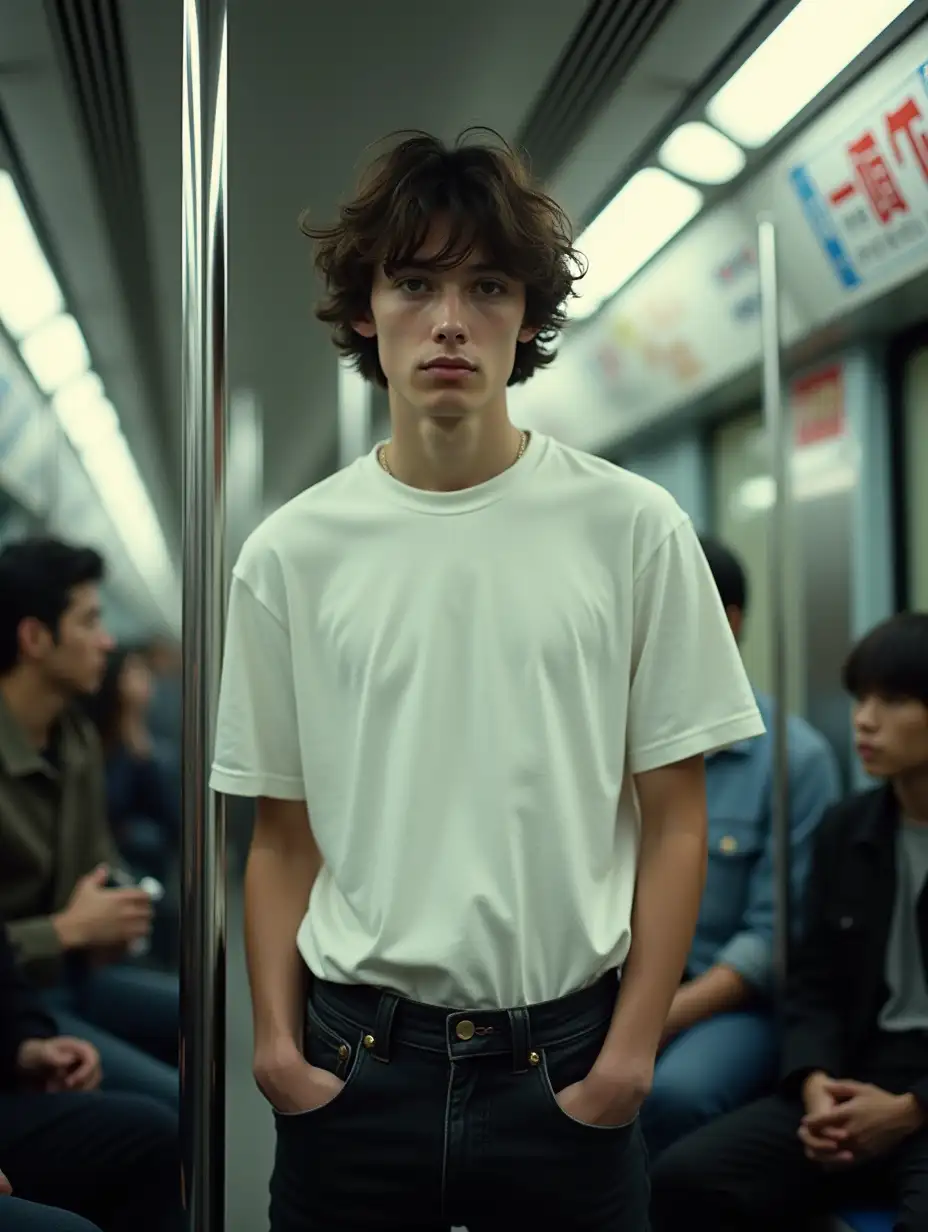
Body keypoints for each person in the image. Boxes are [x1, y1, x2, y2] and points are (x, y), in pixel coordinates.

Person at [211, 129, 765, 1231]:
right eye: (414, 283)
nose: (451, 319)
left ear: (528, 314)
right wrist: (273, 1044)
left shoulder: (634, 529)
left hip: (562, 1063)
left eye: (487, 285)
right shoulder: (290, 552)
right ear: (366, 310)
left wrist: (628, 1058)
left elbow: (673, 818)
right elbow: (280, 835)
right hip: (354, 1059)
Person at [650, 612, 928, 1232]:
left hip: (918, 1093)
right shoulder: (849, 829)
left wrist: (912, 1108)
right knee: (687, 1181)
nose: (865, 718)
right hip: (854, 1078)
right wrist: (814, 1083)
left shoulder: (792, 759)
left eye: (895, 700)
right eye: (861, 699)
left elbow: (771, 944)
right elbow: (813, 983)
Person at [639, 537, 841, 1158]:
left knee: (672, 1093)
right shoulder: (613, 747)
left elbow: (772, 938)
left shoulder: (791, 758)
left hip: (725, 1002)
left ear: (728, 622)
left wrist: (654, 1016)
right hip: (616, 989)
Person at [0, 538, 178, 1110]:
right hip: (20, 1002)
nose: (107, 641)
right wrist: (70, 930)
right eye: (89, 621)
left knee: (197, 1016)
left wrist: (113, 916)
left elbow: (94, 866)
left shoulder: (74, 740)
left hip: (73, 979)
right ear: (34, 638)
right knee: (171, 1108)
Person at [0, 919, 180, 1231]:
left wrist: (23, 1046)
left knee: (156, 1133)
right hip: (54, 977)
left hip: (65, 978)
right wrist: (61, 932)